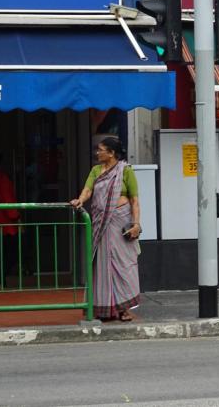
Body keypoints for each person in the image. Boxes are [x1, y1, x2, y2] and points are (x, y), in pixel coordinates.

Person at [70, 137, 141, 322]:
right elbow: (88, 190)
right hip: (101, 224)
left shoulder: (125, 171)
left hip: (120, 223)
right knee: (101, 266)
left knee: (123, 265)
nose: (97, 153)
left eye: (101, 150)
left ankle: (125, 309)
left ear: (111, 153)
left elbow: (134, 200)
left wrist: (136, 223)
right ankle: (103, 309)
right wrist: (80, 200)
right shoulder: (95, 170)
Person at [0, 151, 19, 289]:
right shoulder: (1, 178)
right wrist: (15, 216)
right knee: (5, 255)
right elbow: (7, 199)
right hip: (2, 224)